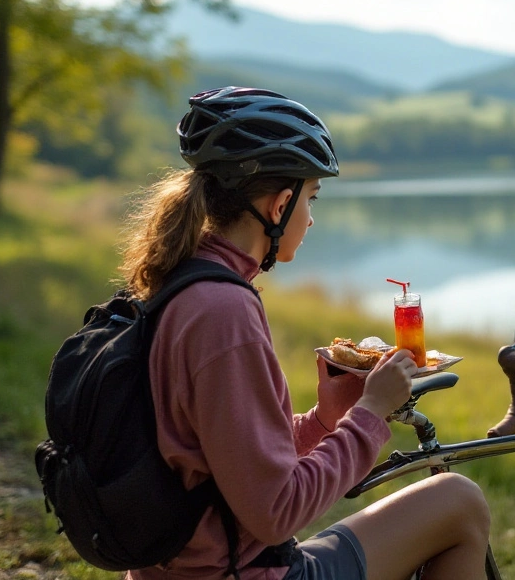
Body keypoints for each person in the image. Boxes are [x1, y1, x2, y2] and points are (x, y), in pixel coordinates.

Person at [119, 86, 491, 580]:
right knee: (459, 500)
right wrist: (370, 414)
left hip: (177, 570)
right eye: (311, 198)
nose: (312, 218)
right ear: (278, 206)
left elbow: (228, 458)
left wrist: (324, 420)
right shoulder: (225, 311)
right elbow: (276, 514)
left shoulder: (183, 285)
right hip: (240, 574)